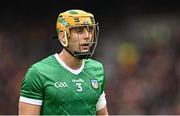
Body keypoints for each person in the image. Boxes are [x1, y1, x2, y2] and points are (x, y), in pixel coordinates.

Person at [18, 9, 108, 115]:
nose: (87, 36)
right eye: (79, 31)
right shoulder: (38, 73)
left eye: (90, 30)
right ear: (62, 36)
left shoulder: (97, 69)